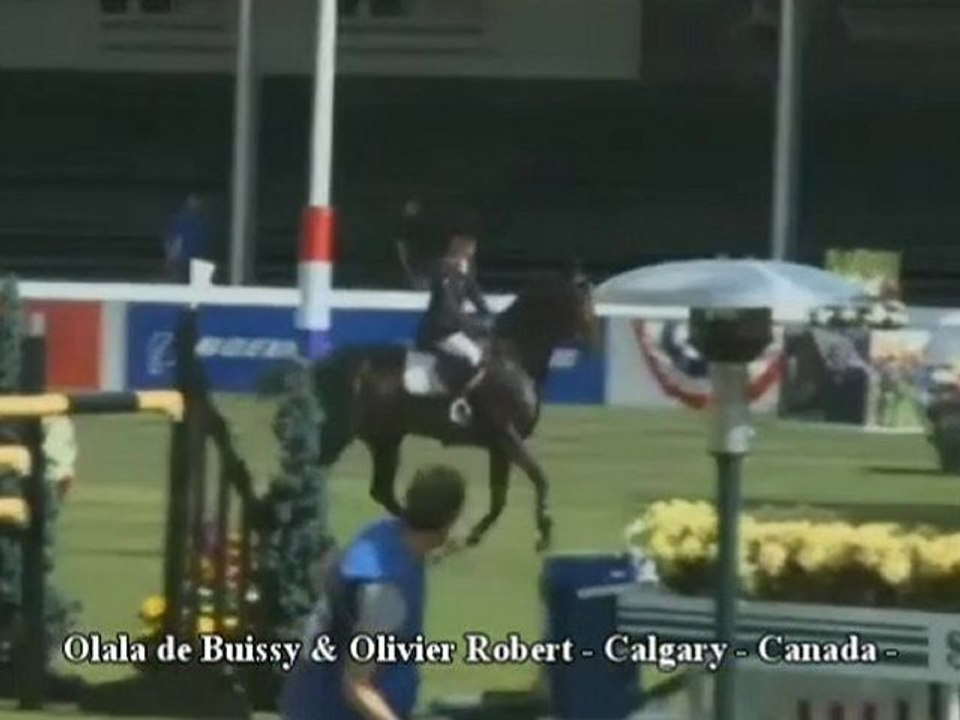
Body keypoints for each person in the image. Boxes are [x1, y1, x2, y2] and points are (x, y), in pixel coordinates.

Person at [279, 464, 467, 720]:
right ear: (450, 518)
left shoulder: (383, 533)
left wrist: (442, 549)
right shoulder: (386, 593)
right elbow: (356, 686)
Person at [415, 231, 494, 426]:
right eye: (470, 248)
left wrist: (489, 314)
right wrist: (473, 324)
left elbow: (473, 291)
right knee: (473, 356)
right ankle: (457, 401)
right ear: (462, 249)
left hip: (456, 326)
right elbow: (448, 306)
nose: (472, 252)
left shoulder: (465, 268)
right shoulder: (443, 269)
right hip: (441, 328)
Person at [162, 193, 210, 283]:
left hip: (194, 258)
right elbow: (171, 239)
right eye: (193, 201)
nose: (197, 204)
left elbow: (202, 241)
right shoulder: (179, 219)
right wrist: (171, 256)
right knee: (179, 282)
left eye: (197, 202)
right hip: (181, 258)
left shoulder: (199, 221)